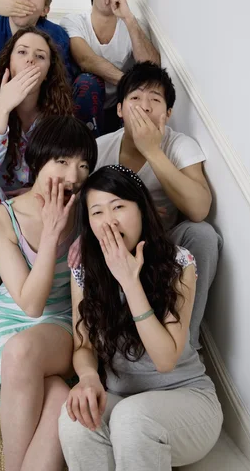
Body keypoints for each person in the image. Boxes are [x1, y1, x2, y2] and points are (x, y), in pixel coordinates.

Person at [59, 165, 223, 470]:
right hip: (122, 399)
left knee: (132, 419)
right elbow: (83, 346)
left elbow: (165, 361)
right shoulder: (85, 271)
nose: (108, 220)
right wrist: (88, 378)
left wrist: (129, 281)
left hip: (186, 399)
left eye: (118, 207)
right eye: (97, 212)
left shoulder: (178, 263)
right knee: (75, 420)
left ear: (141, 209)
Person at [69, 62, 221, 349]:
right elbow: (80, 202)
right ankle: (100, 347)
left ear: (168, 113)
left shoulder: (181, 146)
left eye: (155, 100)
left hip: (163, 243)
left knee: (203, 234)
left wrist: (152, 150)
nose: (144, 107)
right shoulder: (100, 148)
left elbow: (199, 209)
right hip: (113, 242)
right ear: (119, 109)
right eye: (135, 98)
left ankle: (185, 344)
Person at [0, 115, 98, 471]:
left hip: (60, 321)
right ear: (38, 159)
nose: (73, 176)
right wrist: (50, 234)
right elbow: (28, 304)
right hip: (10, 319)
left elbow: (51, 308)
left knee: (23, 350)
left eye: (83, 165)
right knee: (58, 396)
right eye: (62, 161)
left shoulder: (87, 214)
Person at [0, 26, 73, 339]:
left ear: (49, 70)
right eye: (22, 52)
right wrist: (3, 107)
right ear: (9, 61)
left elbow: (62, 175)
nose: (31, 61)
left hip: (31, 213)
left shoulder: (57, 116)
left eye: (40, 56)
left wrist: (29, 195)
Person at [61, 0, 160, 135]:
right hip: (82, 108)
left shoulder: (135, 26)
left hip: (119, 110)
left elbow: (152, 69)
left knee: (140, 96)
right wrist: (129, 84)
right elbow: (86, 60)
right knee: (88, 81)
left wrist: (128, 18)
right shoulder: (73, 21)